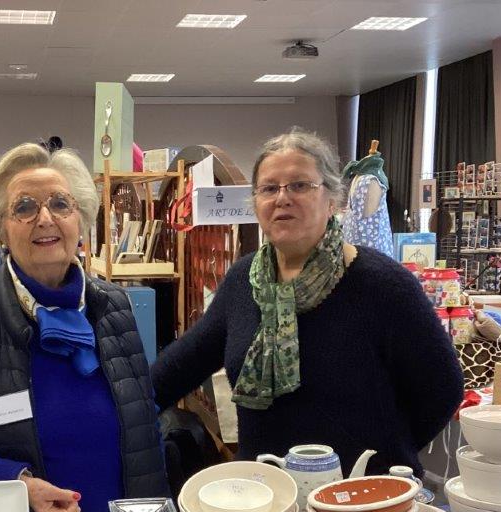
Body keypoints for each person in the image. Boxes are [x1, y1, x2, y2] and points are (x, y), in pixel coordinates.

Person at [152, 129, 464, 476]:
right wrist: (117, 407)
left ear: (332, 200)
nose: (282, 198)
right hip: (268, 491)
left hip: (362, 492)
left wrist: (388, 452)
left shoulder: (383, 285)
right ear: (255, 203)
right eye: (269, 188)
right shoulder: (244, 281)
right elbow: (178, 369)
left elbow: (443, 390)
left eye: (300, 185)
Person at [0, 142, 169, 512]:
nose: (45, 218)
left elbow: (144, 417)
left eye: (60, 204)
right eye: (25, 207)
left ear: (80, 218)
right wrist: (18, 484)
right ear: (1, 229)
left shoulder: (116, 308)